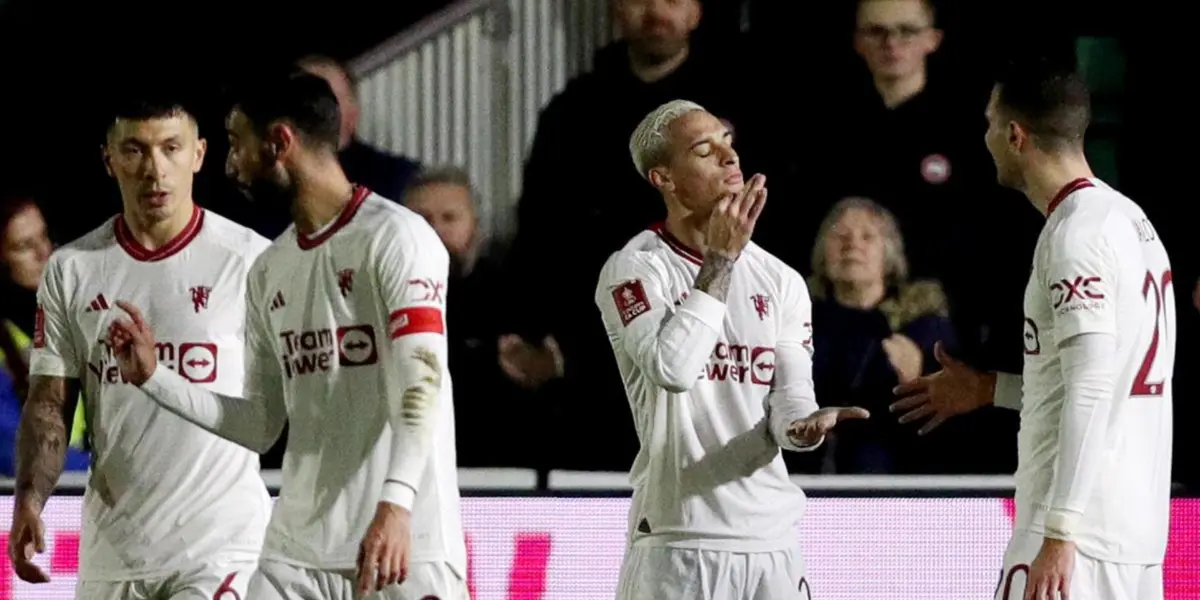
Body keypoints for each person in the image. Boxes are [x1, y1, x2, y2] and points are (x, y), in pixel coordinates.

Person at [106, 71, 467, 600]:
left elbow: (422, 382)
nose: (231, 165)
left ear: (278, 143)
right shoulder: (269, 269)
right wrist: (154, 378)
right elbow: (260, 424)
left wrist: (395, 504)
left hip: (405, 544)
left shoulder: (399, 237)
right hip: (296, 556)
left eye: (237, 144)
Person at [892, 62, 1173, 600]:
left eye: (989, 124)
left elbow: (1091, 387)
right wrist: (990, 389)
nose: (986, 139)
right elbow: (1105, 381)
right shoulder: (1129, 220)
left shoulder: (1076, 235)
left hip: (1075, 541)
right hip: (1132, 537)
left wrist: (1059, 531)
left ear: (1015, 136)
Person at [596, 99, 869, 600]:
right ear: (664, 178)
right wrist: (720, 259)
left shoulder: (780, 279)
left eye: (728, 143)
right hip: (680, 543)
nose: (729, 158)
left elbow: (791, 400)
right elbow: (673, 368)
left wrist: (803, 428)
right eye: (704, 151)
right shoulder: (634, 269)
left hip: (772, 543)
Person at [8, 93, 272, 599]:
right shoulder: (72, 269)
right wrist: (31, 497)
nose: (155, 170)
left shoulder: (250, 260)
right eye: (135, 150)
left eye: (171, 148)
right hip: (115, 552)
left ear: (198, 154)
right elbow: (49, 403)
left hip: (219, 548)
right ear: (109, 159)